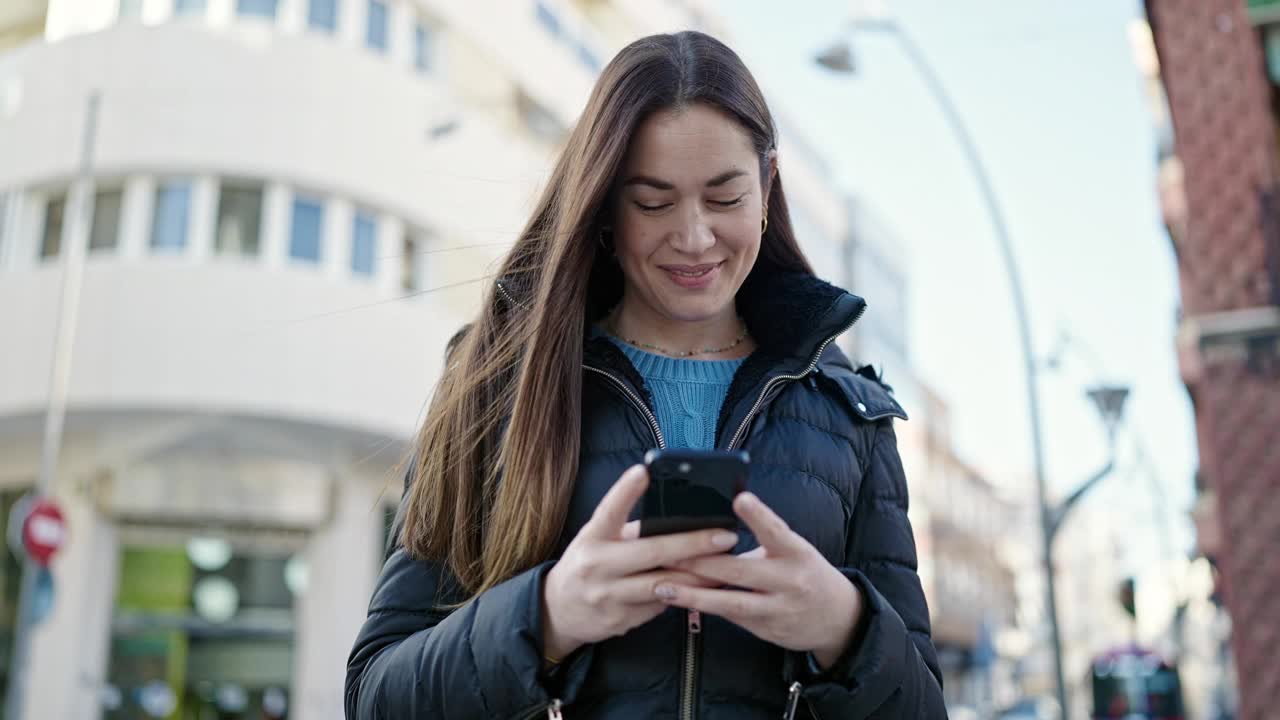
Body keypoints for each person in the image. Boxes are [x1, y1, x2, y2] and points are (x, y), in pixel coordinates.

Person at [345, 30, 946, 719]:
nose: (693, 238)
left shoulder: (851, 413)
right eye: (652, 202)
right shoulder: (498, 386)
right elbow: (374, 698)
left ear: (767, 184)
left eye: (724, 198)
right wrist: (546, 615)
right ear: (603, 205)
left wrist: (845, 628)